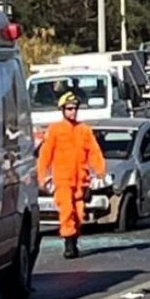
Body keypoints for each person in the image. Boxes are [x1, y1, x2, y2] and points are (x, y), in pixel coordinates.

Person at [37, 92, 106, 259]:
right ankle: (69, 244)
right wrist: (43, 178)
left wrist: (100, 171)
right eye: (69, 109)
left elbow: (94, 152)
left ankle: (73, 239)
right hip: (62, 181)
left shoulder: (84, 130)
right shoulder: (55, 130)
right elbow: (45, 155)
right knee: (66, 212)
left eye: (74, 108)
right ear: (62, 110)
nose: (72, 112)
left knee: (79, 214)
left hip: (81, 181)